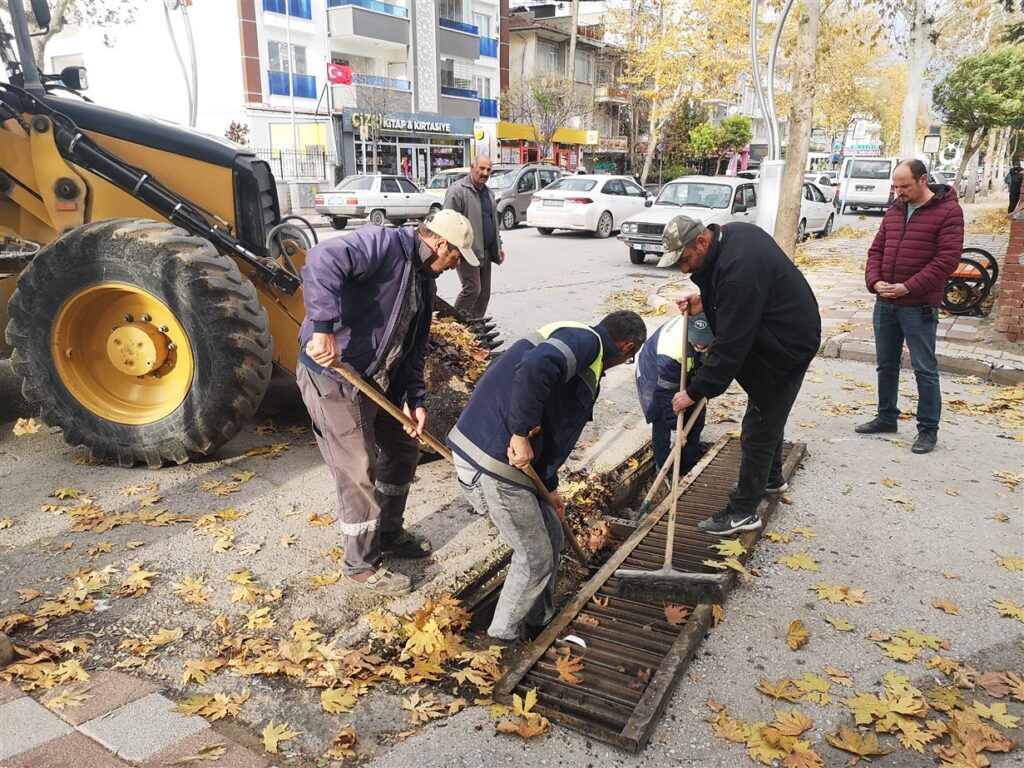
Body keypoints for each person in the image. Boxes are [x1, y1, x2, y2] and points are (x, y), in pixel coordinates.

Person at [299, 209, 478, 596]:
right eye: (455, 257)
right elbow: (321, 258)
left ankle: (389, 532)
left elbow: (414, 349)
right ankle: (361, 564)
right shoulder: (382, 245)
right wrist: (323, 328)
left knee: (402, 448)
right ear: (439, 244)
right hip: (335, 375)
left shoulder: (424, 282)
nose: (455, 266)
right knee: (357, 466)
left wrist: (415, 399)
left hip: (375, 380)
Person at [448, 311, 648, 643]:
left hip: (514, 462)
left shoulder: (581, 345)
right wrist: (520, 433)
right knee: (534, 556)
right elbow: (534, 367)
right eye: (631, 357)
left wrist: (551, 487)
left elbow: (554, 427)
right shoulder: (586, 342)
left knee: (554, 536)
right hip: (493, 461)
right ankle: (502, 638)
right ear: (628, 347)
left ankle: (539, 620)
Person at [658, 215, 821, 536]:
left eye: (684, 259)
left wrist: (694, 391)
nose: (683, 269)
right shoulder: (732, 237)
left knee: (758, 426)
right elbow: (736, 293)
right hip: (782, 330)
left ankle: (743, 511)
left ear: (701, 241)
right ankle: (771, 478)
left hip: (786, 346)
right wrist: (704, 301)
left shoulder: (738, 272)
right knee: (768, 409)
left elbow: (730, 346)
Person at [856, 159, 964, 454]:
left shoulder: (948, 211)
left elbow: (947, 260)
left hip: (918, 304)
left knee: (924, 368)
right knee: (886, 364)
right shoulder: (895, 208)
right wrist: (875, 282)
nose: (899, 192)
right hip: (885, 302)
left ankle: (928, 429)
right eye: (895, 186)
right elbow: (876, 250)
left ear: (923, 180)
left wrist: (908, 287)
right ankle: (886, 417)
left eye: (904, 186)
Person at [635, 312, 714, 473]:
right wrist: (674, 429)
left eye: (704, 340)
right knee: (665, 424)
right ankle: (667, 472)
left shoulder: (723, 328)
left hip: (691, 368)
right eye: (696, 339)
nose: (700, 345)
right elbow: (666, 394)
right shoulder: (672, 349)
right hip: (657, 374)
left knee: (695, 420)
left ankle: (687, 470)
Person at [444, 154, 504, 318]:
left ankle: (475, 326)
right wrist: (453, 252)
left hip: (486, 251)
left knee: (484, 294)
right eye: (482, 168)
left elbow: (493, 221)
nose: (485, 173)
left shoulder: (489, 193)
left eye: (488, 170)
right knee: (472, 290)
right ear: (472, 168)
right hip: (466, 252)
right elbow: (447, 222)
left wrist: (499, 245)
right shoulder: (457, 191)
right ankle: (453, 324)